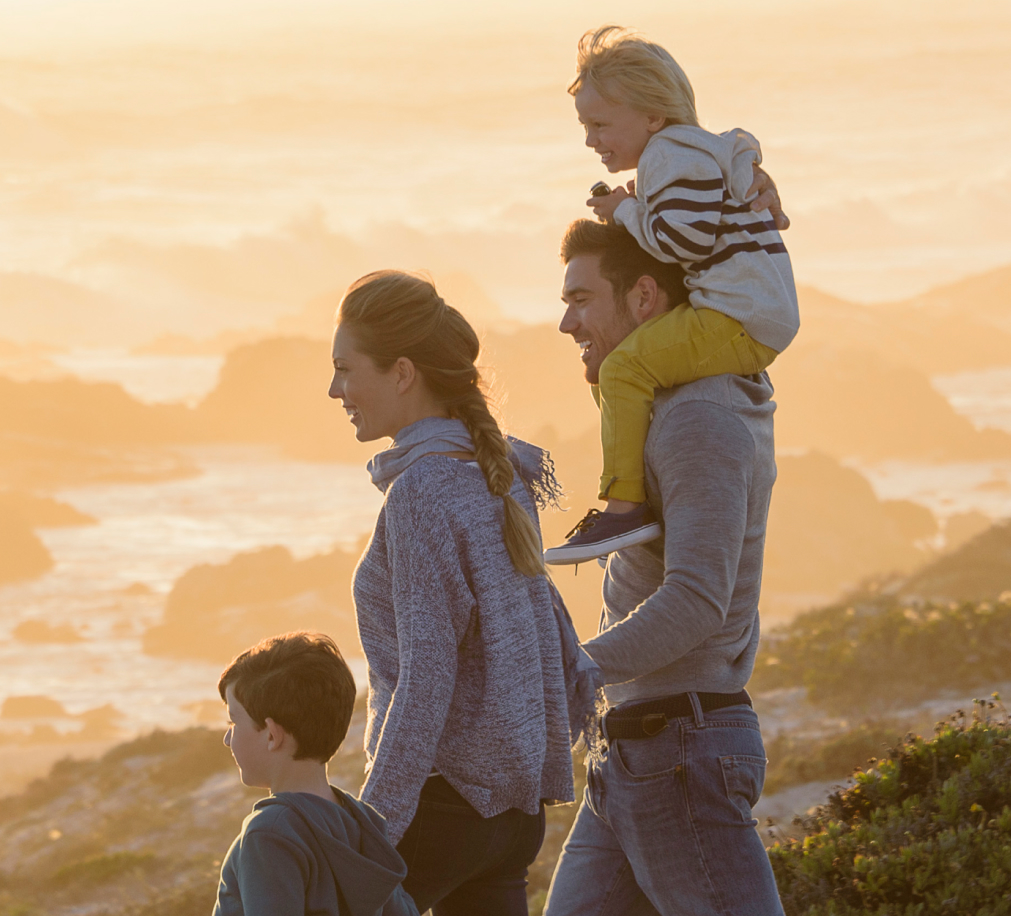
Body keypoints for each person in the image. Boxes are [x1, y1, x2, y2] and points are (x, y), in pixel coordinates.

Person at [330, 271, 595, 916]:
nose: (335, 390)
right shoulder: (495, 473)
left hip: (443, 806)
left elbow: (427, 673)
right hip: (510, 814)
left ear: (401, 372)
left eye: (345, 369)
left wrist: (375, 825)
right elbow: (546, 622)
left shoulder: (421, 491)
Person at [542, 220, 784, 916]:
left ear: (645, 297)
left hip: (679, 750)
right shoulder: (668, 406)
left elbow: (697, 600)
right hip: (639, 754)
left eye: (582, 298)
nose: (566, 321)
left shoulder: (697, 420)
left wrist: (571, 672)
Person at [544, 25, 799, 566]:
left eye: (600, 124)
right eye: (586, 125)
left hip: (738, 317)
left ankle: (624, 507)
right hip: (747, 312)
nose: (590, 139)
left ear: (653, 117)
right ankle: (639, 479)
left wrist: (624, 212)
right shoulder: (689, 153)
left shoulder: (668, 156)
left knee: (621, 371)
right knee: (624, 372)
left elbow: (685, 240)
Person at [211, 632, 418, 916]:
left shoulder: (269, 833)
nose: (226, 738)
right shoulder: (363, 823)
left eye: (233, 722)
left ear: (272, 735)